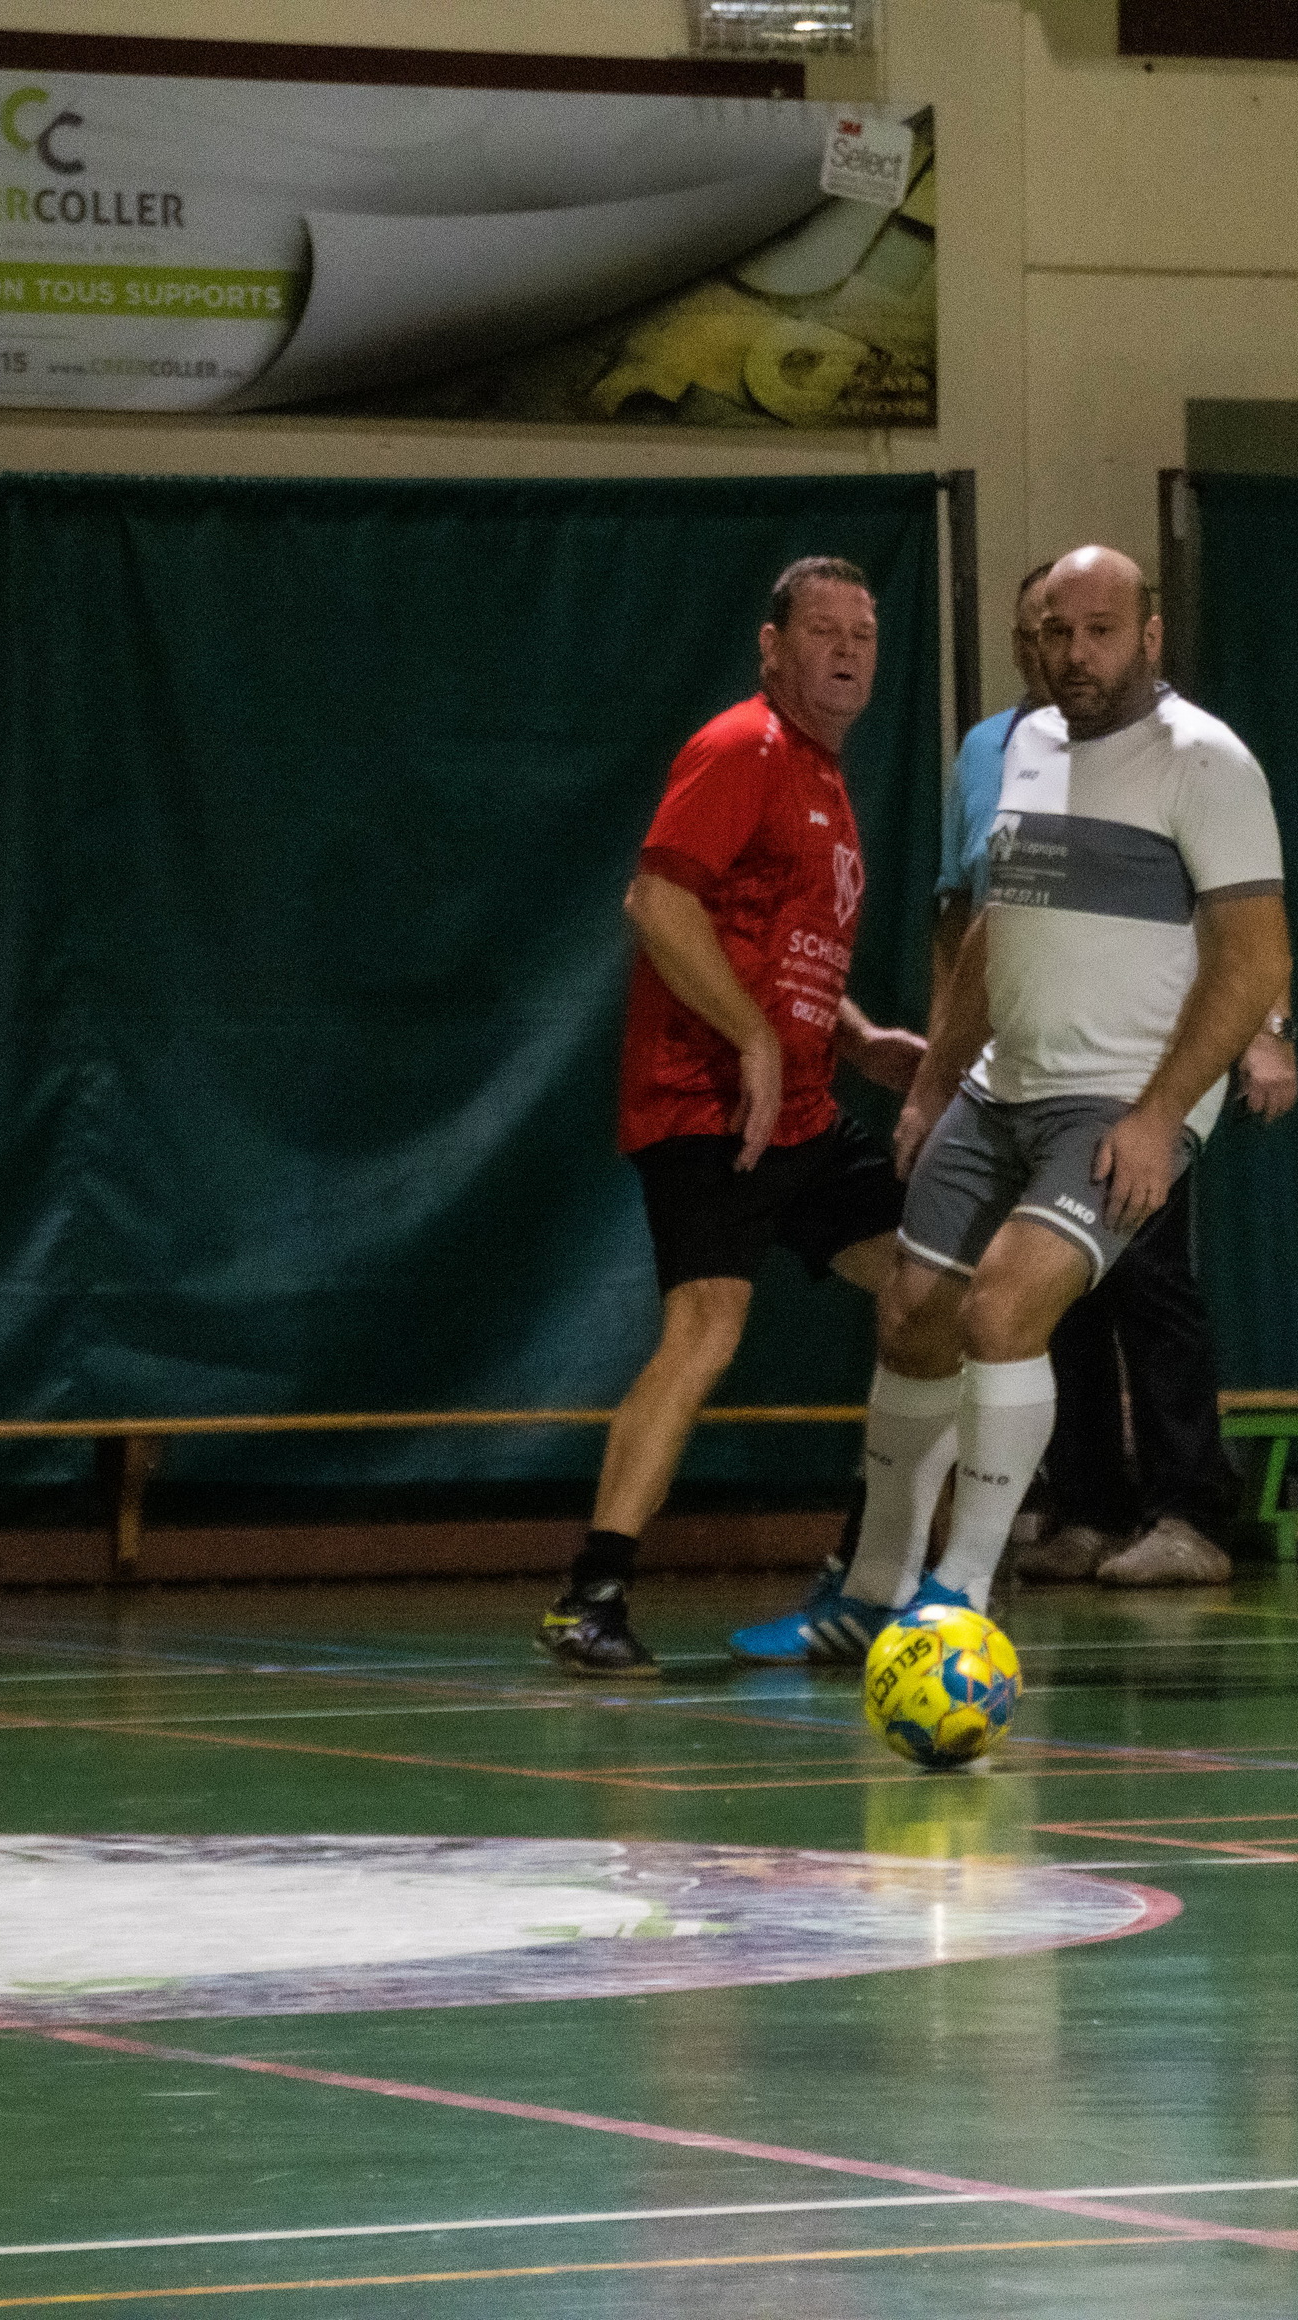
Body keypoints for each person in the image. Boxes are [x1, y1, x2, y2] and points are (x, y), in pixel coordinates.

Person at [839, 545, 1290, 1629]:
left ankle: (958, 1597)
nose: (1075, 653)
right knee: (911, 1319)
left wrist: (1159, 1115)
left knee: (1004, 1308)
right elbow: (998, 924)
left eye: (1099, 630)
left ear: (1150, 636)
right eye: (1056, 632)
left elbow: (1255, 956)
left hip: (1118, 1100)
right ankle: (868, 1593)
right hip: (1000, 1089)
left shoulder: (1206, 761)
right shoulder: (1025, 746)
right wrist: (931, 1085)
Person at [542, 555, 925, 1676]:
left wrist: (854, 1038)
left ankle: (872, 1572)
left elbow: (774, 938)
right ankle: (589, 1596)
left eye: (863, 632)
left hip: (802, 1111)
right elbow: (660, 901)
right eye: (823, 630)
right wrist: (753, 1037)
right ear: (772, 646)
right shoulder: (741, 746)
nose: (847, 649)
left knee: (933, 1297)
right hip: (707, 1103)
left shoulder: (825, 777)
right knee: (707, 1327)